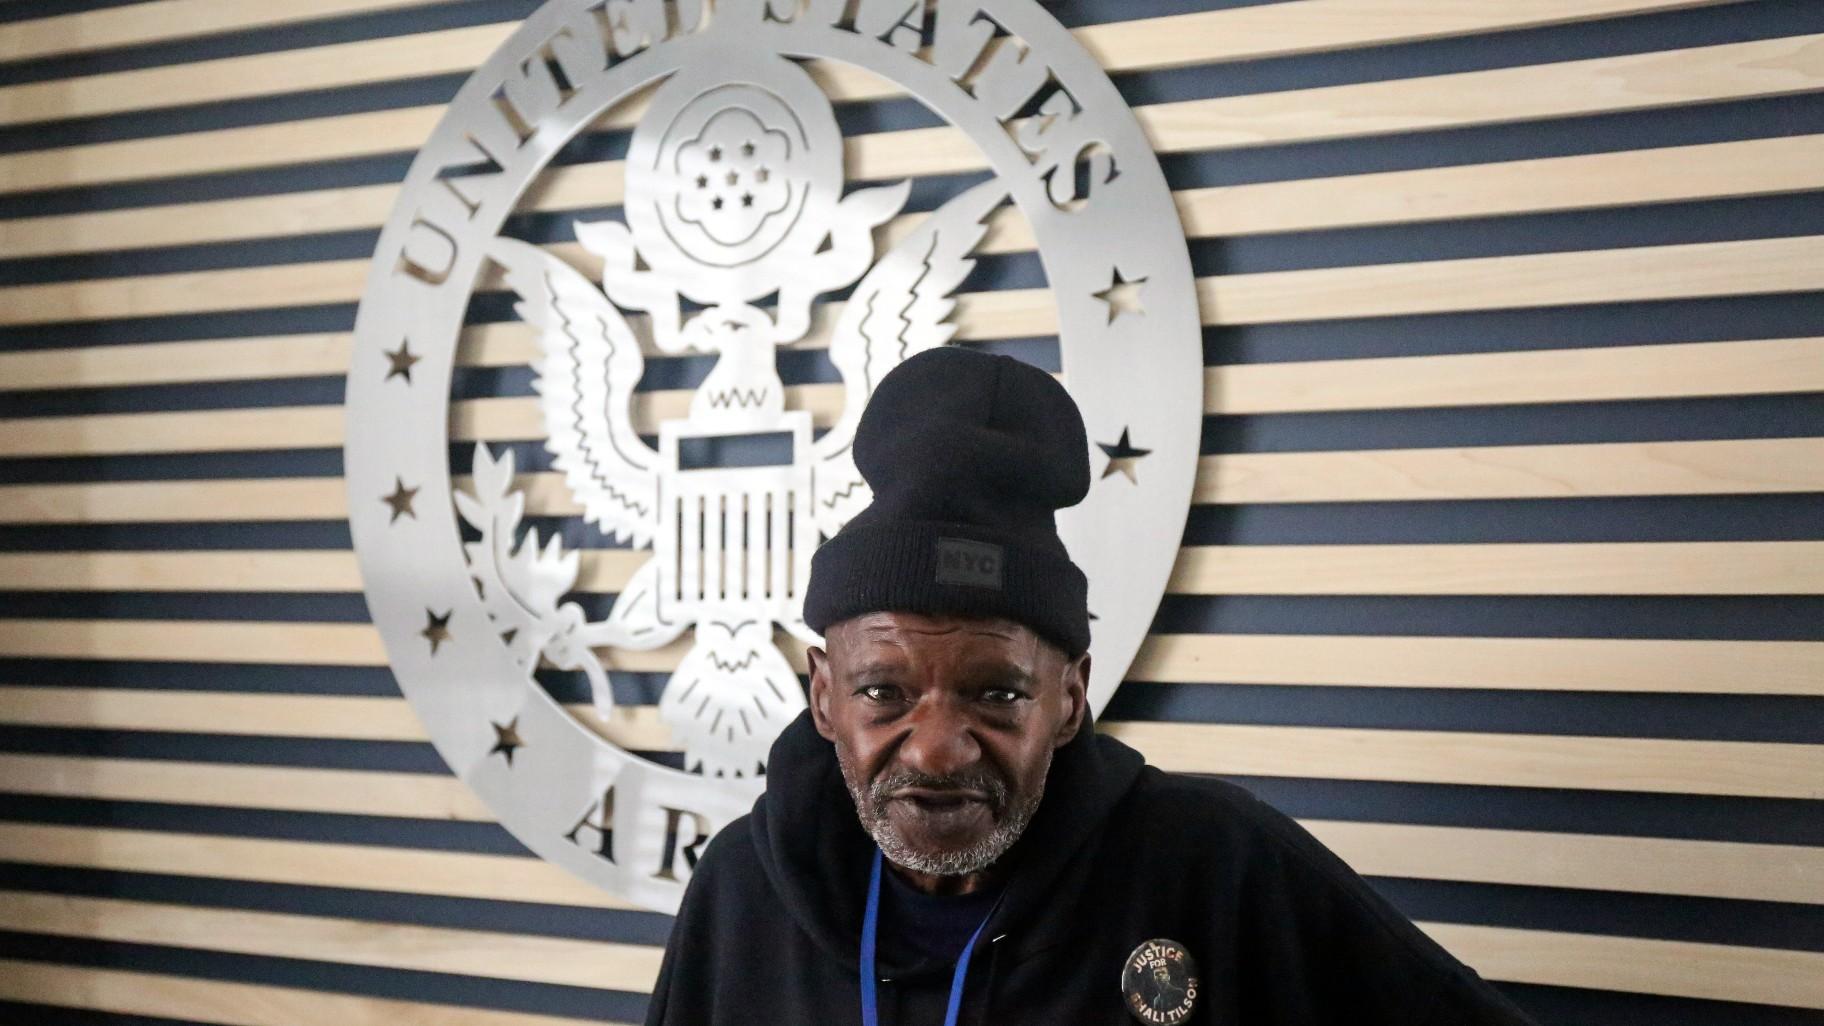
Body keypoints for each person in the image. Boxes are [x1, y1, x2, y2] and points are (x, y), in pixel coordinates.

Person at [645, 346, 1538, 1025]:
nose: (938, 748)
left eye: (997, 695)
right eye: (885, 694)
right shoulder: (742, 892)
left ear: (1070, 697)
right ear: (823, 696)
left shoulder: (1220, 867)